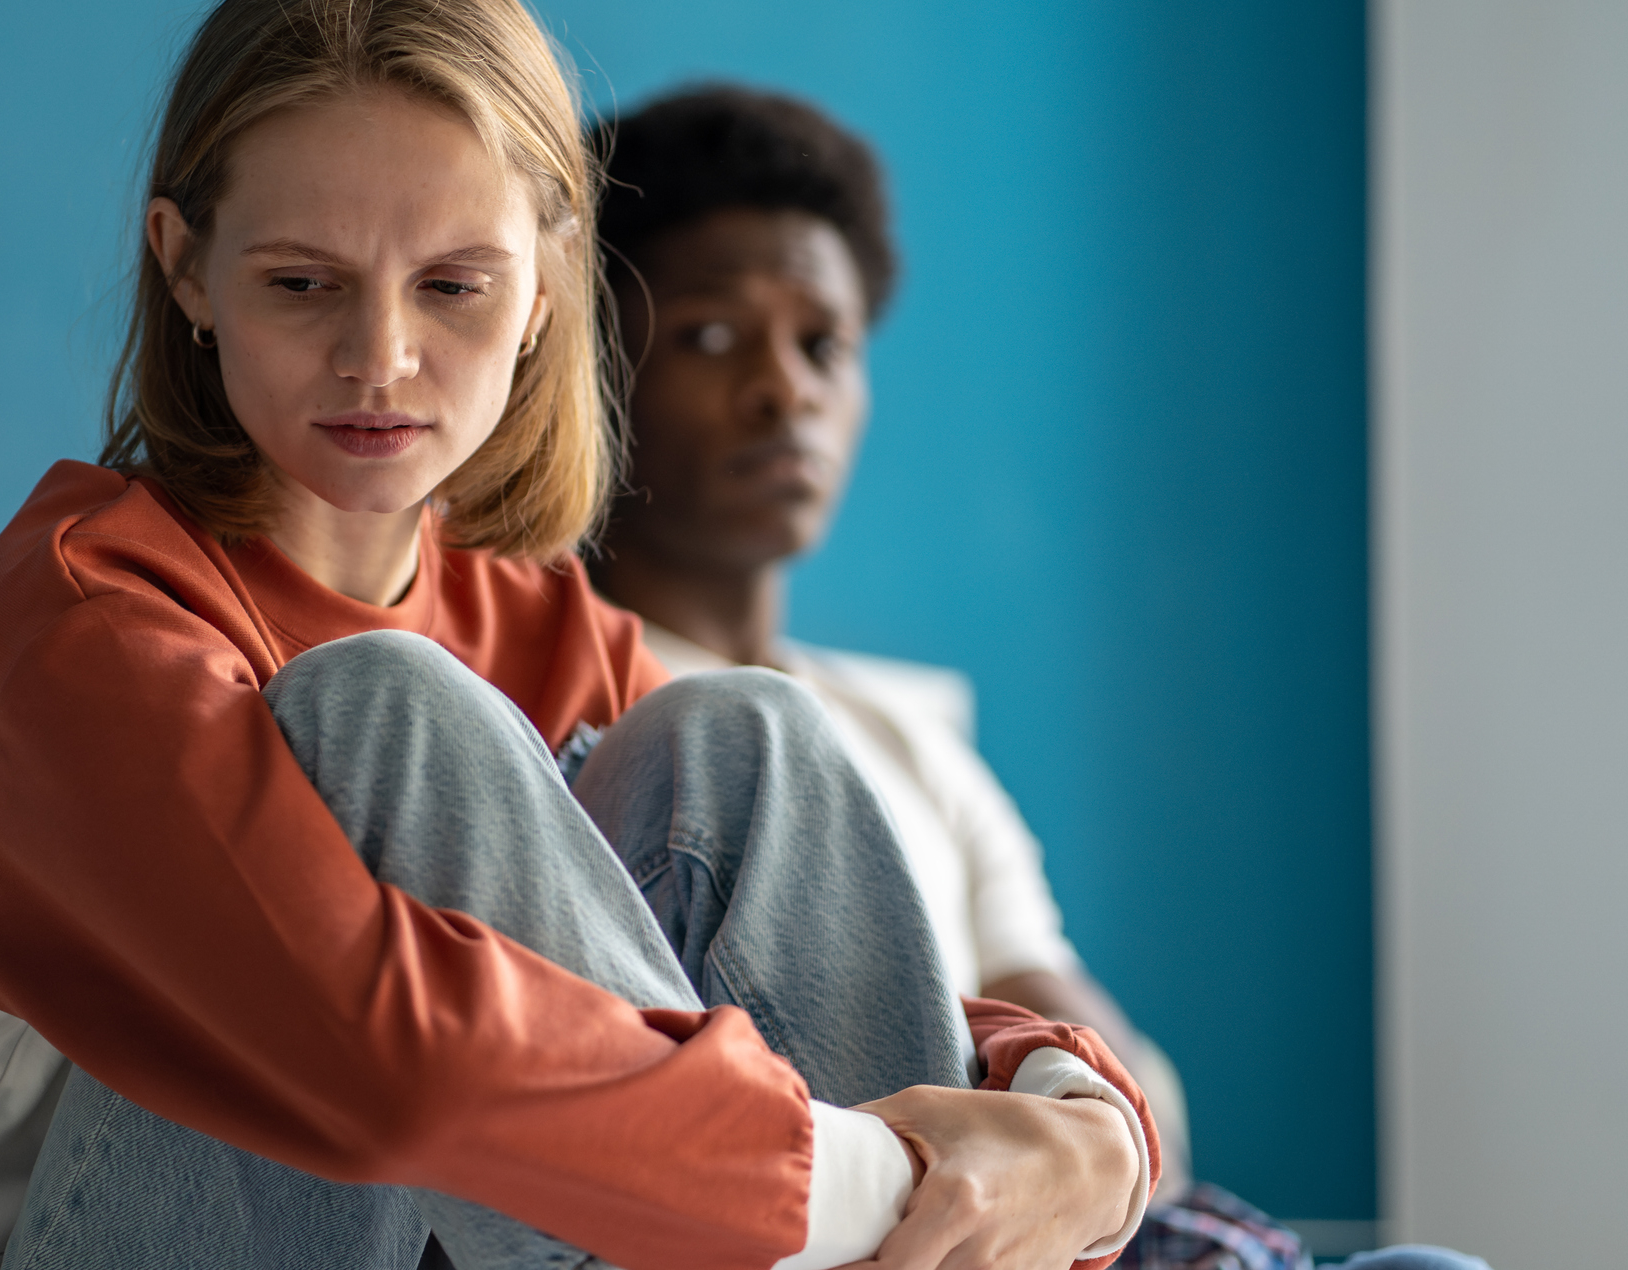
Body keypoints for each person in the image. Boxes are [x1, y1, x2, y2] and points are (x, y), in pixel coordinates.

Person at [0, 0, 1158, 1270]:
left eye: (453, 286)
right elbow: (393, 1071)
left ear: (548, 287)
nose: (380, 356)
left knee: (747, 739)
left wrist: (1081, 1121)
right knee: (381, 704)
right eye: (301, 283)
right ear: (186, 265)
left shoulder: (530, 617)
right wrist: (895, 1174)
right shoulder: (91, 624)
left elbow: (816, 975)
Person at [585, 85, 1486, 1270]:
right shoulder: (599, 717)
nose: (783, 389)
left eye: (823, 344)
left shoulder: (906, 738)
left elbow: (1131, 1079)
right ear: (598, 372)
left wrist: (1085, 1142)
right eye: (710, 336)